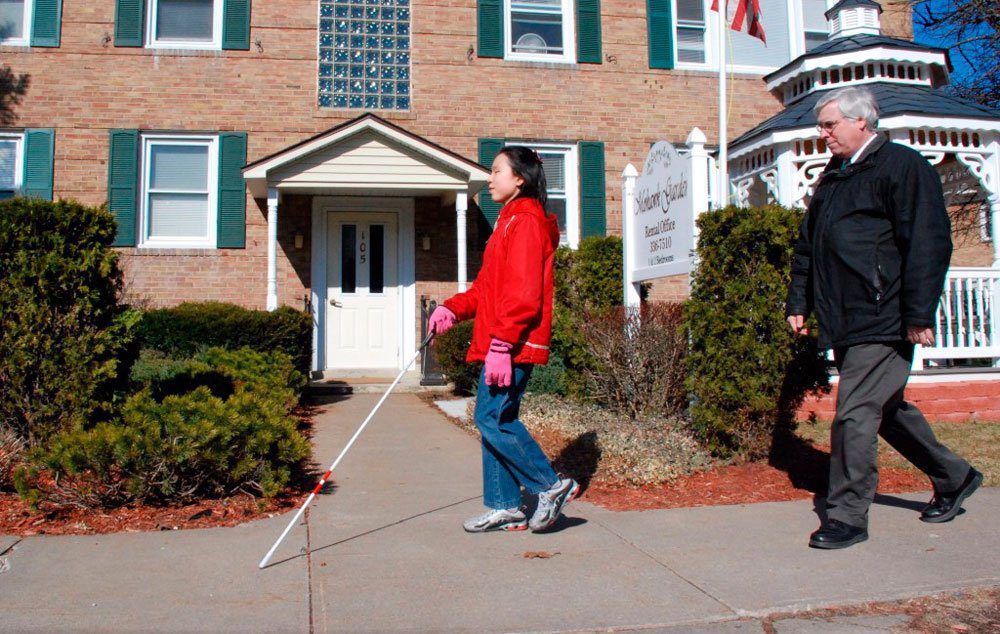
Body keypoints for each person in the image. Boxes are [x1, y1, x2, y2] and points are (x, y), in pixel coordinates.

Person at [786, 86, 982, 550]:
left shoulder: (902, 166)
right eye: (822, 125)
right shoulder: (834, 176)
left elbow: (929, 242)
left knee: (854, 415)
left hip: (886, 314)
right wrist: (799, 301)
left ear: (861, 122)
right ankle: (954, 476)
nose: (824, 133)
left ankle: (848, 515)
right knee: (885, 410)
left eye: (830, 124)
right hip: (847, 317)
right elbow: (808, 246)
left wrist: (917, 313)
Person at [427, 145, 579, 533]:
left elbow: (525, 294)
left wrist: (501, 344)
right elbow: (487, 289)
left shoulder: (526, 221)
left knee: (490, 417)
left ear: (520, 179)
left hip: (513, 345)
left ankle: (550, 485)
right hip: (503, 343)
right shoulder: (507, 223)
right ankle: (506, 505)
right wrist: (452, 308)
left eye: (496, 171)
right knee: (499, 417)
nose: (490, 178)